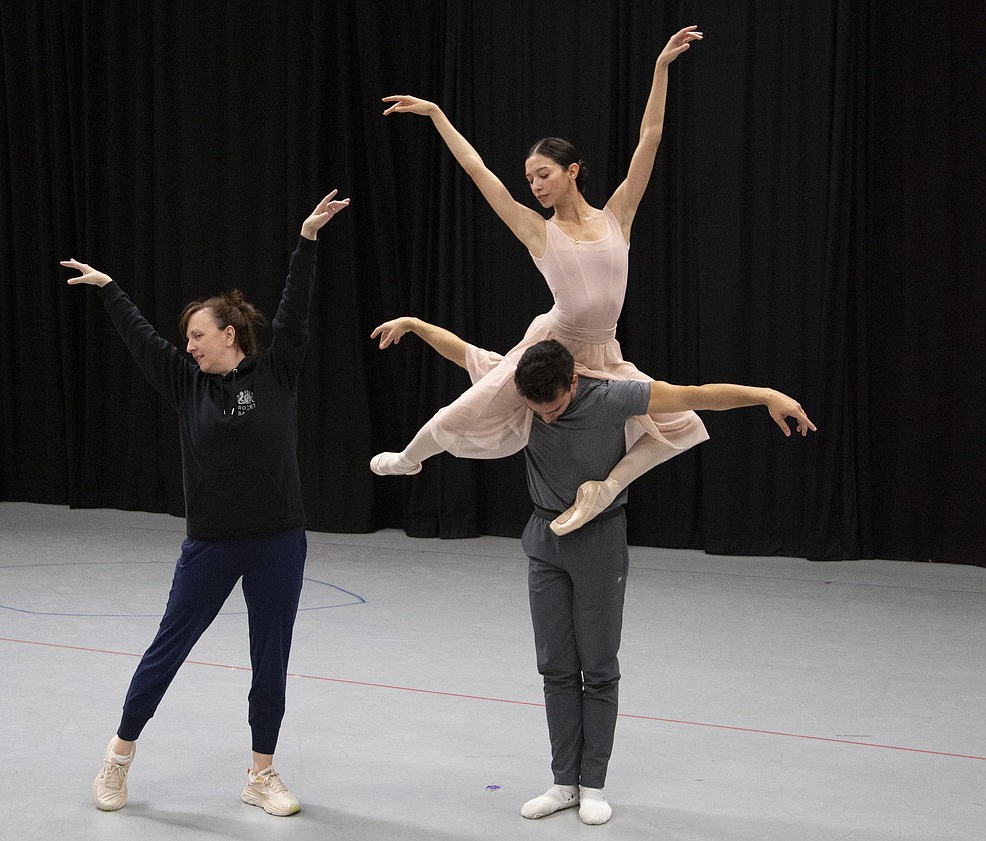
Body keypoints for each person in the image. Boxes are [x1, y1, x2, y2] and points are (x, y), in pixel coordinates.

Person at [371, 318, 814, 825]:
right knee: (555, 666)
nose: (547, 417)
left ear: (575, 382)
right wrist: (414, 324)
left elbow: (700, 395)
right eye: (538, 411)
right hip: (543, 538)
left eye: (555, 408)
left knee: (598, 667)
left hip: (600, 541)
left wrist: (766, 395)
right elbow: (463, 352)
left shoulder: (613, 398)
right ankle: (563, 783)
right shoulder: (517, 388)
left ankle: (594, 783)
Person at [60, 189, 349, 816]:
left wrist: (307, 240)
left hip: (278, 539)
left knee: (269, 657)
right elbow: (139, 338)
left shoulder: (276, 373)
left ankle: (261, 775)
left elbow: (296, 312)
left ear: (229, 334)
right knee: (168, 648)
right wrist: (110, 288)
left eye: (197, 334)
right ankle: (116, 759)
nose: (187, 344)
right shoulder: (183, 382)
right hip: (212, 544)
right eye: (185, 336)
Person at [372, 26, 708, 536]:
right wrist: (437, 114)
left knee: (678, 426)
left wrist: (660, 69)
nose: (534, 185)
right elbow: (476, 169)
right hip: (552, 345)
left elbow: (650, 140)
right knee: (463, 410)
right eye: (529, 178)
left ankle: (606, 489)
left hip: (603, 351)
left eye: (543, 174)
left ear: (573, 170)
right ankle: (409, 459)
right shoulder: (537, 231)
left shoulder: (618, 216)